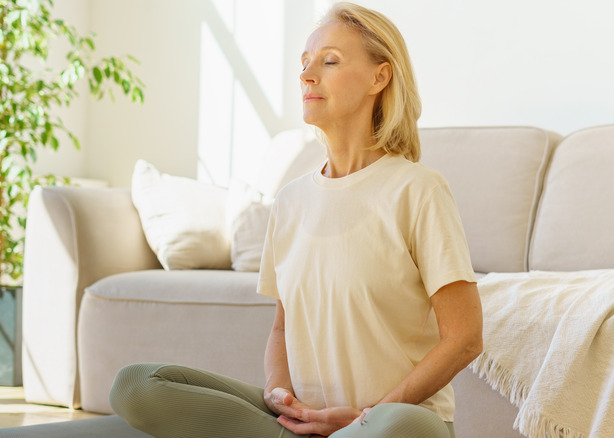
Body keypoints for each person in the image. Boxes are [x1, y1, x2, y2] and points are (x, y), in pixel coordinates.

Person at [109, 3, 483, 437]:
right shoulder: (290, 201)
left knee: (401, 425)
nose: (307, 75)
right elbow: (282, 327)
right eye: (304, 64)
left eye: (329, 61)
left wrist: (366, 414)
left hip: (389, 423)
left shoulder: (418, 190)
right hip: (308, 420)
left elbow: (465, 337)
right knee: (136, 386)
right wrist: (279, 395)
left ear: (379, 78)